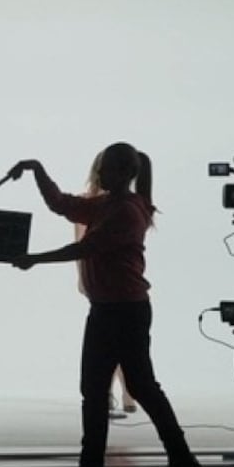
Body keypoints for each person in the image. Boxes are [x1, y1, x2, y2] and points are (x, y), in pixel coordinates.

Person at [10, 142, 204, 467]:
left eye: (108, 168)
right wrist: (37, 169)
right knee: (125, 388)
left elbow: (85, 247)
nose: (100, 173)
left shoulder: (125, 211)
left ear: (126, 172)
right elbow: (61, 204)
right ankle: (172, 460)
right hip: (116, 310)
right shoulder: (109, 205)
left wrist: (35, 258)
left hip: (121, 312)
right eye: (101, 167)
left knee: (108, 390)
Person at [73, 151, 137, 418]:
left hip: (113, 284)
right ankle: (120, 392)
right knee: (115, 345)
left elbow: (80, 245)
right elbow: (80, 244)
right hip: (109, 283)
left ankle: (121, 392)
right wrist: (82, 276)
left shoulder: (122, 204)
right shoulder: (100, 204)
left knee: (110, 345)